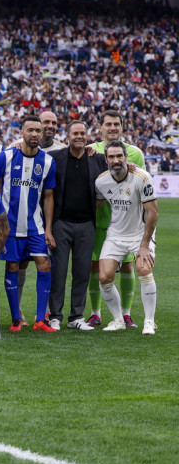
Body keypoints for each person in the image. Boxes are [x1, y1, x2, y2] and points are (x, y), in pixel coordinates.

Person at [0, 115, 57, 332]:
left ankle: (39, 320)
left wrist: (48, 229)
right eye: (30, 130)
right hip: (10, 227)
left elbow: (48, 196)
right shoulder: (6, 156)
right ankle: (16, 319)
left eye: (38, 130)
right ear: (21, 133)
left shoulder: (47, 162)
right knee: (13, 266)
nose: (35, 134)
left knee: (44, 264)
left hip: (35, 227)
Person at [86, 110, 146, 328]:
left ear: (122, 126)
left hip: (128, 223)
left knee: (128, 267)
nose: (112, 128)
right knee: (96, 267)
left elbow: (143, 186)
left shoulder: (135, 153)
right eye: (108, 124)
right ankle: (95, 313)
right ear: (100, 127)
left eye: (116, 124)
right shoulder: (90, 151)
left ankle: (126, 314)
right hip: (100, 219)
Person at [43, 120, 106, 331]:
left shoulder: (97, 160)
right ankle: (55, 316)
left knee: (82, 273)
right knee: (58, 273)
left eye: (82, 133)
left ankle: (76, 316)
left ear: (87, 136)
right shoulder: (55, 158)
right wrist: (49, 228)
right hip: (61, 224)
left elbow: (115, 174)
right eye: (75, 133)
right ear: (67, 136)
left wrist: (131, 166)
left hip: (87, 224)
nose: (79, 136)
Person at [94, 141, 159, 335]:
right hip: (116, 234)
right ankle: (118, 320)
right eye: (111, 157)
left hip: (140, 233)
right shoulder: (101, 181)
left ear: (126, 157)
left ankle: (149, 321)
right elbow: (97, 204)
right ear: (106, 159)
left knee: (143, 268)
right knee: (104, 276)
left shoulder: (141, 177)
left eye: (119, 156)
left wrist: (145, 245)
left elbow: (153, 213)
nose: (116, 160)